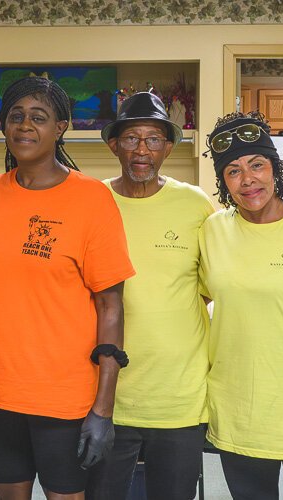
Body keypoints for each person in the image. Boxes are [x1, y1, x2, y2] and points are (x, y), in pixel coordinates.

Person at [0, 76, 135, 500]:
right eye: (15, 116)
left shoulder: (91, 198)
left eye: (39, 117)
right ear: (3, 126)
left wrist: (103, 410)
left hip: (65, 400)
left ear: (61, 127)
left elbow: (111, 306)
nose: (24, 126)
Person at [87, 92, 215, 500]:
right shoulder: (90, 201)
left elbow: (216, 284)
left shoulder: (195, 205)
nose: (142, 150)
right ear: (114, 145)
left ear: (168, 148)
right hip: (106, 396)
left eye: (154, 139)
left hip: (178, 397)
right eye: (132, 139)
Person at [199, 112, 283, 500]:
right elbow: (198, 299)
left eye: (257, 165)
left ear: (275, 168)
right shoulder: (213, 231)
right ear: (224, 182)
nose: (248, 179)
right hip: (238, 406)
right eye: (233, 171)